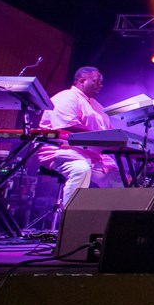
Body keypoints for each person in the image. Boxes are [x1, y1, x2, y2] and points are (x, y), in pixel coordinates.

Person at [36, 66, 122, 208]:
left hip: (92, 156)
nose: (100, 85)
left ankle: (110, 224)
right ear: (82, 81)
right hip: (64, 151)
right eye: (96, 81)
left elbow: (109, 133)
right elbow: (66, 126)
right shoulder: (66, 97)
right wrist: (103, 137)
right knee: (80, 169)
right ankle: (70, 221)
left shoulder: (98, 106)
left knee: (121, 181)